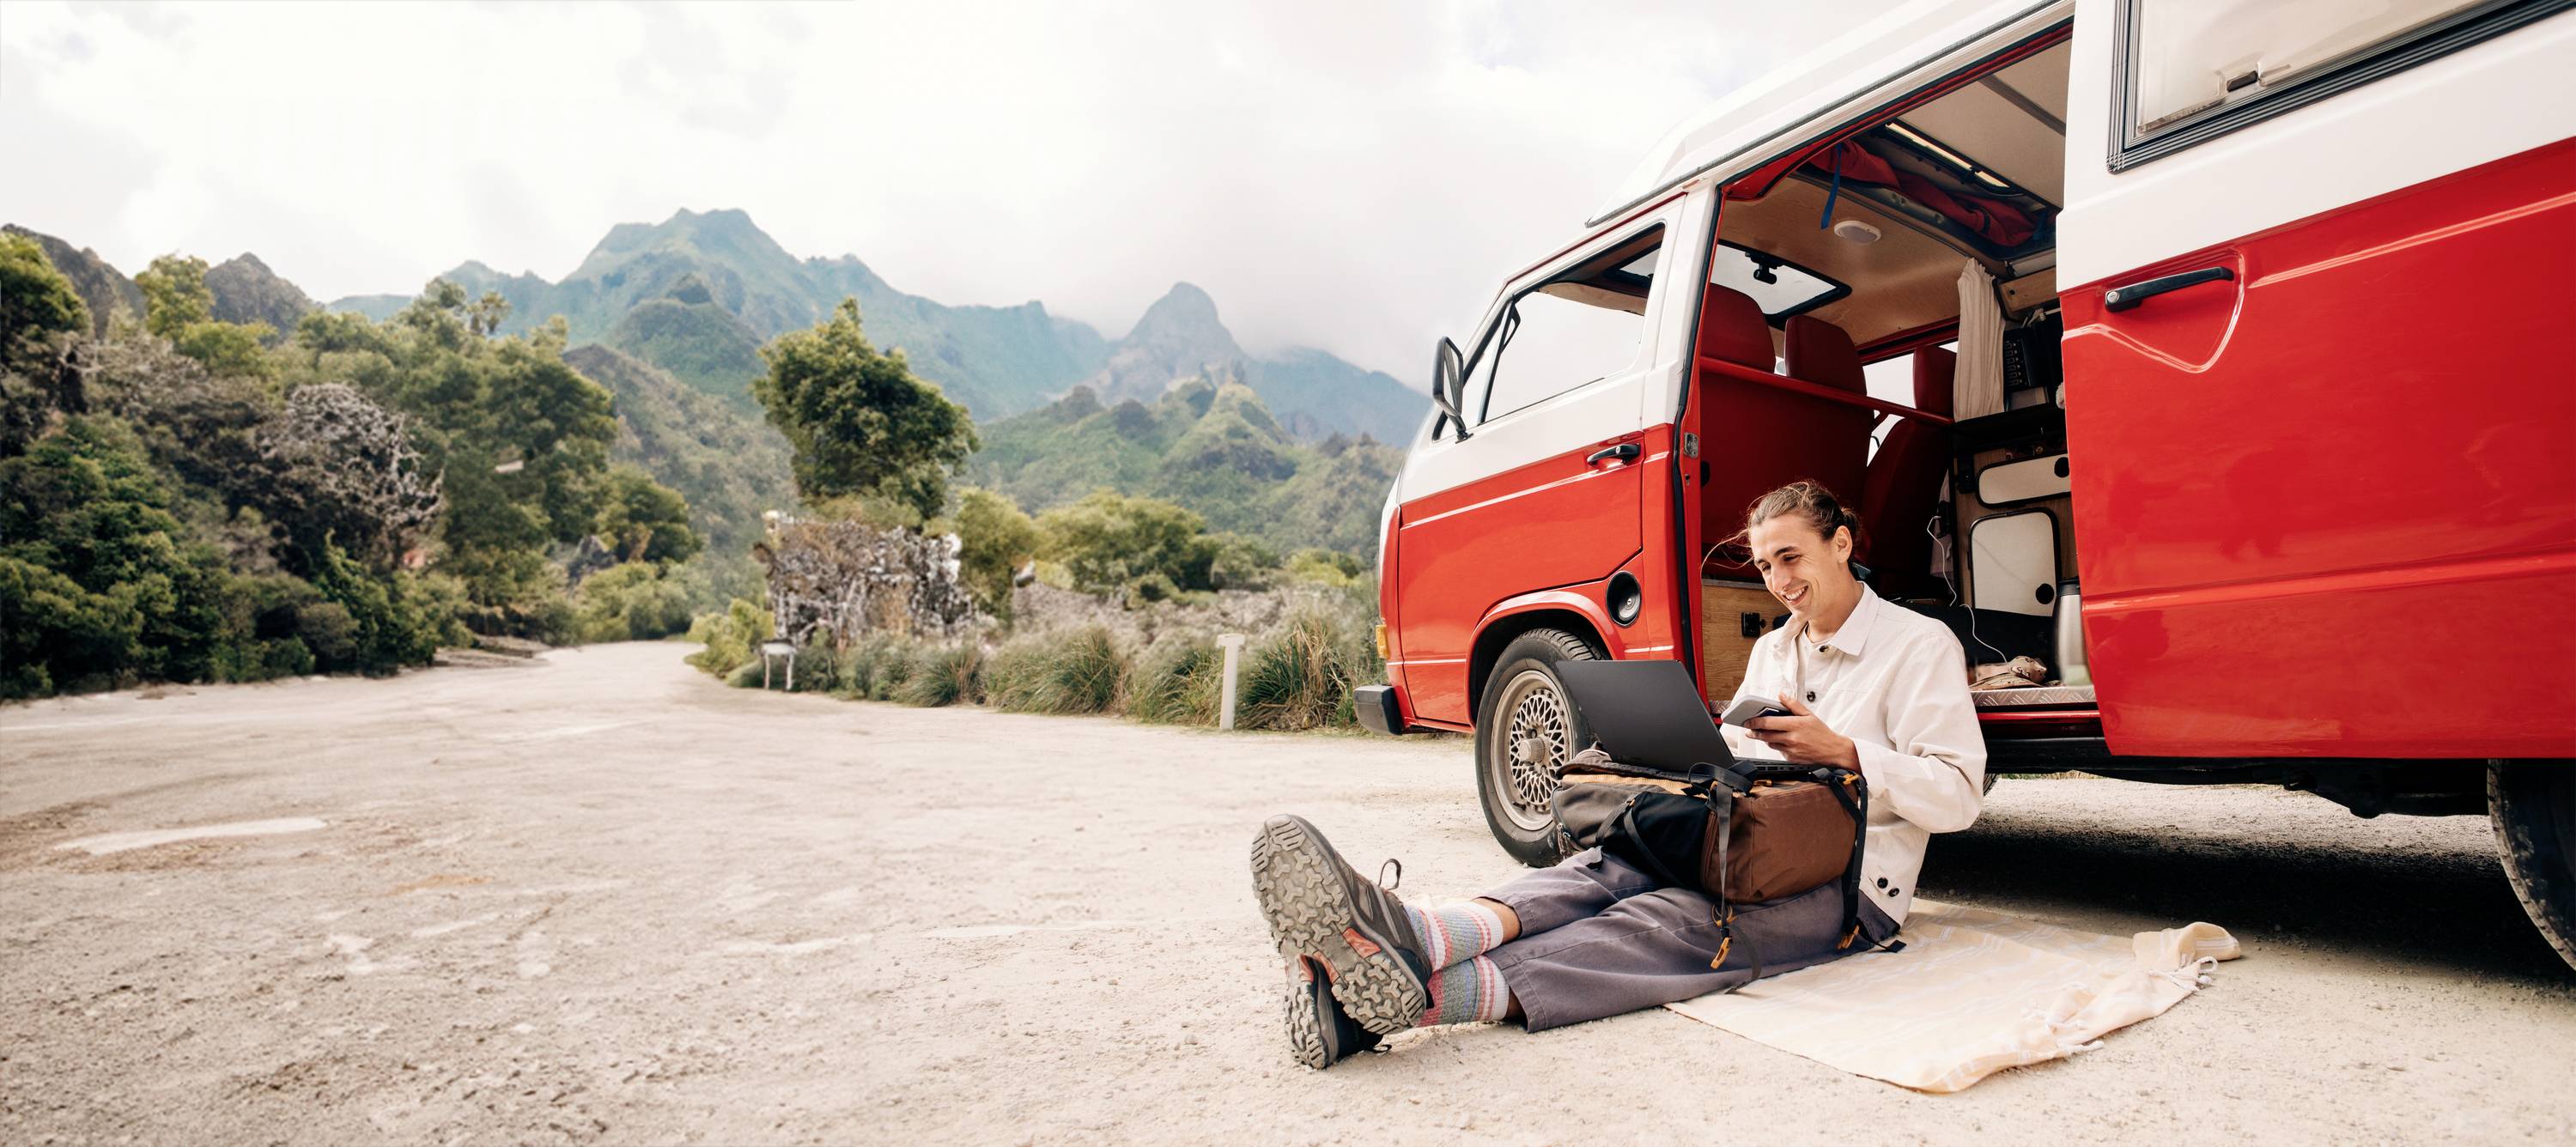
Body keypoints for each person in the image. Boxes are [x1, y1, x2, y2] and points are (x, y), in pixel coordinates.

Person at [1249, 480, 1987, 1067]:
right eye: (1764, 566)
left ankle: (1404, 997)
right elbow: (1733, 758)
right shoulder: (1776, 650)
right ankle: (1420, 933)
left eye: (1792, 558)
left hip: (1850, 887)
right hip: (1742, 840)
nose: (1778, 581)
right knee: (1605, 868)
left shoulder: (1918, 645)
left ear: (1842, 544)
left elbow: (1958, 796)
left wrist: (1845, 752)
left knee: (1662, 922)